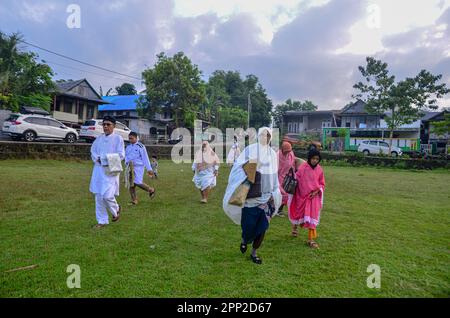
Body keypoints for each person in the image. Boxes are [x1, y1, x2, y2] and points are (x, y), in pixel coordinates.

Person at [223, 127, 282, 264]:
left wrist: (275, 190)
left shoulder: (273, 154)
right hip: (251, 197)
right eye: (262, 135)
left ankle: (254, 253)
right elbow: (238, 167)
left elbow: (274, 173)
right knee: (248, 226)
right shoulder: (250, 149)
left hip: (266, 197)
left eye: (267, 136)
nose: (264, 138)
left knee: (262, 228)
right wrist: (253, 166)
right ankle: (244, 239)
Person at [89, 116, 125, 228]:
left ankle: (116, 209)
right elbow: (93, 151)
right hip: (98, 171)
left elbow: (121, 155)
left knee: (107, 196)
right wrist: (97, 158)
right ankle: (102, 221)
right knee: (99, 196)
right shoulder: (98, 139)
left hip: (111, 171)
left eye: (108, 124)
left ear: (114, 126)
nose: (105, 126)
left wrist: (104, 159)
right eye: (104, 124)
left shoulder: (118, 139)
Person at [288, 149, 326, 249]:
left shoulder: (319, 169)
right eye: (313, 158)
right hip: (302, 196)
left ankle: (311, 239)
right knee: (298, 213)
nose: (315, 160)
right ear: (309, 158)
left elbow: (322, 183)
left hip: (314, 198)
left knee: (312, 217)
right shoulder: (303, 168)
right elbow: (298, 180)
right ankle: (295, 227)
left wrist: (316, 191)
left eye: (317, 159)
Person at [125, 131, 155, 205]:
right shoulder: (128, 147)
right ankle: (134, 200)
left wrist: (149, 169)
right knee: (131, 184)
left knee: (138, 182)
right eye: (129, 138)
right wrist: (126, 164)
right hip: (129, 167)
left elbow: (145, 158)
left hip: (139, 167)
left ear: (136, 138)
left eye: (131, 138)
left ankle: (151, 189)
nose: (130, 140)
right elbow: (126, 157)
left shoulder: (141, 146)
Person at [277, 141, 296, 217]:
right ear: (282, 149)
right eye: (286, 151)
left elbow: (293, 163)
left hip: (288, 177)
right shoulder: (277, 155)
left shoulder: (291, 154)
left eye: (289, 151)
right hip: (278, 177)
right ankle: (276, 209)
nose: (287, 152)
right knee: (279, 193)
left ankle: (279, 209)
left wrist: (293, 173)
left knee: (286, 195)